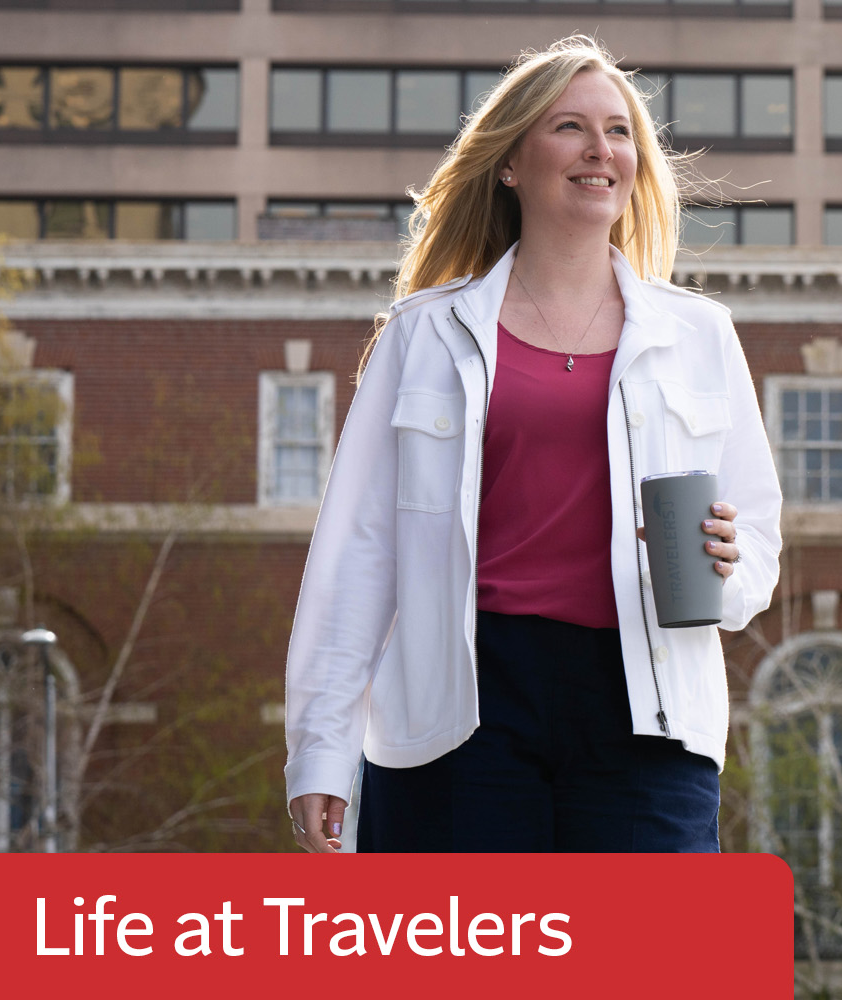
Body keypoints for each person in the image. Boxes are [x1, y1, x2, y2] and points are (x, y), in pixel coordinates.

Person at [283, 35, 783, 853]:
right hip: (462, 703)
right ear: (510, 162)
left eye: (619, 132)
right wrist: (321, 750)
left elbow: (755, 545)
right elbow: (357, 553)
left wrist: (728, 565)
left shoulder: (700, 333)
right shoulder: (426, 334)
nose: (600, 150)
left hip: (646, 706)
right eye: (570, 128)